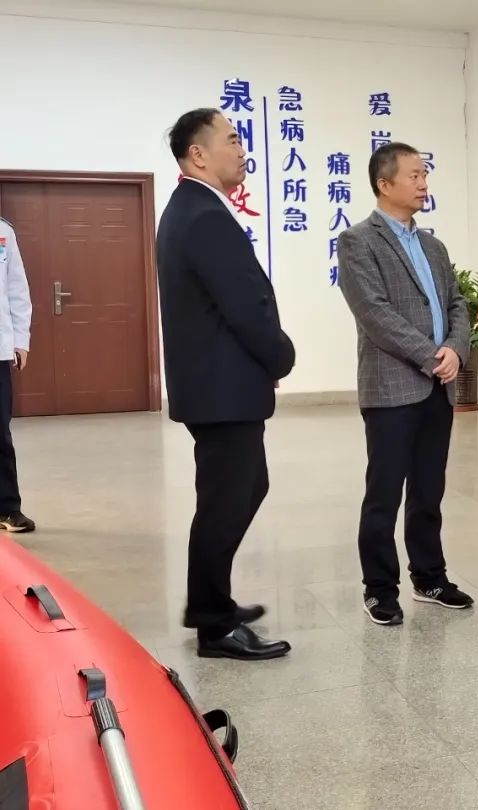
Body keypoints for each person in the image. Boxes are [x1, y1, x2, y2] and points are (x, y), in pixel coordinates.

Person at [157, 109, 294, 660]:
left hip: (217, 384)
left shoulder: (191, 208)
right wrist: (280, 355)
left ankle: (208, 603)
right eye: (232, 139)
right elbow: (245, 305)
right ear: (198, 153)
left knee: (237, 489)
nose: (242, 149)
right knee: (229, 498)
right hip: (221, 388)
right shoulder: (204, 215)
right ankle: (214, 625)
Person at [337, 142, 473, 626]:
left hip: (437, 386)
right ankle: (379, 588)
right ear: (384, 184)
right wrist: (431, 356)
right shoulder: (358, 241)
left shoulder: (433, 246)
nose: (423, 184)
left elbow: (457, 304)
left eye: (424, 175)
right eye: (414, 175)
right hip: (392, 386)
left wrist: (455, 349)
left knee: (429, 490)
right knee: (384, 492)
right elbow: (374, 313)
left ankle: (430, 577)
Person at [0, 218, 33, 534]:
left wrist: (21, 340)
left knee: (0, 432)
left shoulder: (4, 233)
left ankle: (8, 508)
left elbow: (17, 290)